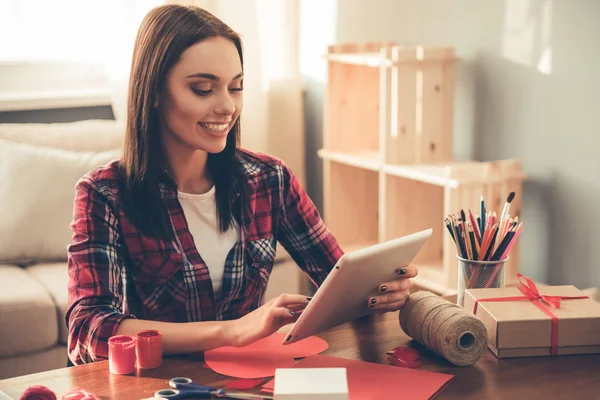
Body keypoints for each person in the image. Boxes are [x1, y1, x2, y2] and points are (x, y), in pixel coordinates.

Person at [66, 4, 417, 365]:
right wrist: (232, 331)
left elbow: (337, 278)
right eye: (203, 89)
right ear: (154, 91)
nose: (227, 107)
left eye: (236, 88)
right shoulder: (104, 194)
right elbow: (89, 327)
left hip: (242, 377)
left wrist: (378, 291)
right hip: (152, 384)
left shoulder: (269, 180)